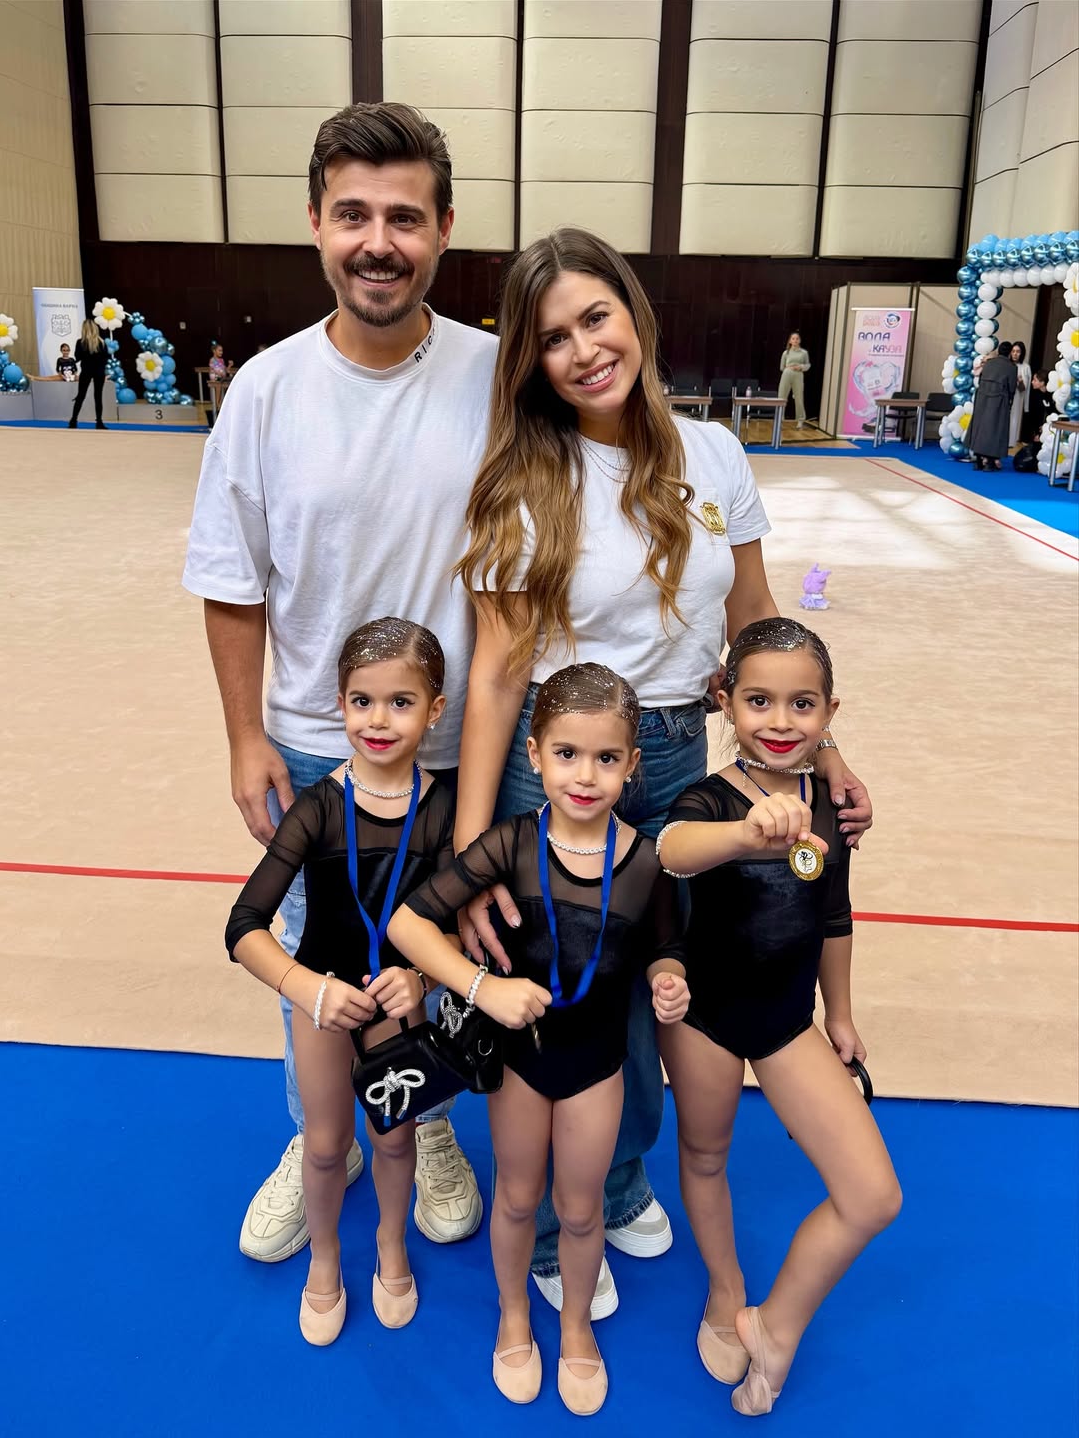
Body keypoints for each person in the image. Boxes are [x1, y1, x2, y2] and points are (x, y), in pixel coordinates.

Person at [452, 227, 873, 1317]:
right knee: (567, 1000)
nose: (584, 349)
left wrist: (824, 754)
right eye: (554, 337)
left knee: (661, 990)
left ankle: (620, 1172)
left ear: (634, 314)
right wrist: (471, 845)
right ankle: (558, 1221)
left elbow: (754, 621)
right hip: (562, 771)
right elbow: (496, 674)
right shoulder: (519, 479)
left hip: (680, 751)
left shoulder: (714, 454)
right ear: (532, 361)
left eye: (596, 317)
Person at [183, 101, 494, 1265]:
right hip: (317, 742)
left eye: (404, 217)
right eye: (353, 214)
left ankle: (427, 1115)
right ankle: (321, 1130)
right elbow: (232, 582)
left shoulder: (495, 376)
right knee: (313, 954)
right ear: (315, 223)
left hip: (459, 745)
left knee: (440, 948)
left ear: (444, 229)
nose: (379, 241)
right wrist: (243, 734)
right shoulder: (265, 391)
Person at [388, 664, 691, 1415]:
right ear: (534, 754)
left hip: (597, 1067)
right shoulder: (511, 845)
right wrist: (480, 986)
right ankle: (514, 1315)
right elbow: (408, 923)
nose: (585, 776)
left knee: (581, 1210)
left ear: (633, 764)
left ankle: (576, 1324)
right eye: (567, 754)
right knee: (519, 1198)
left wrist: (669, 977)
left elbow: (666, 945)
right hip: (523, 1065)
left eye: (606, 758)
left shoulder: (646, 862)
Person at [658, 618, 901, 1417]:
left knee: (873, 1195)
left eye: (803, 704)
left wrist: (842, 1015)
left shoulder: (830, 803)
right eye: (758, 700)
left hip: (789, 1021)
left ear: (830, 713)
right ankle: (726, 1287)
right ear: (725, 700)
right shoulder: (711, 798)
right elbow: (673, 849)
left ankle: (776, 1324)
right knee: (705, 1153)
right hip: (703, 1018)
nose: (781, 720)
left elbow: (835, 914)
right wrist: (742, 833)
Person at [226, 618, 453, 1344]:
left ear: (435, 710)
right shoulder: (319, 807)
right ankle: (324, 1256)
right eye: (362, 701)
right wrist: (307, 988)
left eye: (400, 703)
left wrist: (421, 976)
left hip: (397, 1004)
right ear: (339, 703)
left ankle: (390, 1242)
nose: (378, 721)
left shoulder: (444, 809)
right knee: (325, 1145)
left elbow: (460, 925)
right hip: (324, 1000)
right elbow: (244, 926)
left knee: (395, 1139)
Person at [967, 339, 1017, 470]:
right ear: (1009, 353)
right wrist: (1009, 403)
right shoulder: (1011, 367)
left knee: (979, 427)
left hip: (982, 397)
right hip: (999, 399)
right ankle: (989, 462)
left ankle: (978, 460)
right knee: (995, 429)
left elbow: (981, 379)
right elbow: (1012, 388)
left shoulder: (988, 363)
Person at [68, 319, 107, 428]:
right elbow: (105, 358)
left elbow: (78, 357)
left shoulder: (81, 342)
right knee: (98, 396)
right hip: (99, 371)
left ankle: (73, 420)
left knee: (80, 395)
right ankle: (99, 422)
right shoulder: (101, 342)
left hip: (86, 371)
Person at [777, 331, 810, 429]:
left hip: (798, 375)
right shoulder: (786, 353)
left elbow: (808, 365)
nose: (795, 340)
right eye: (793, 338)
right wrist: (789, 368)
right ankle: (780, 419)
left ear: (799, 340)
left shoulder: (804, 353)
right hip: (787, 374)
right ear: (790, 341)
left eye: (797, 338)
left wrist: (800, 367)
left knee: (799, 398)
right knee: (782, 397)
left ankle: (800, 420)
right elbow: (781, 367)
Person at [1009, 341, 1031, 447]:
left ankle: (1010, 443)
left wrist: (1020, 381)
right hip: (1004, 397)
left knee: (1013, 420)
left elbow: (1024, 389)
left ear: (1022, 353)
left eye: (1018, 351)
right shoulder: (1007, 364)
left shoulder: (1025, 367)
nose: (1015, 354)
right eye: (1013, 351)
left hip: (1016, 398)